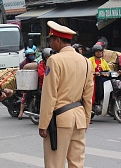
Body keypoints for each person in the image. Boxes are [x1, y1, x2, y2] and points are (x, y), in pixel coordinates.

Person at [39, 21, 93, 168]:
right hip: (79, 118)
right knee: (77, 164)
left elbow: (49, 95)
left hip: (60, 119)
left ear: (58, 40)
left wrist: (43, 123)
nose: (50, 42)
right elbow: (88, 96)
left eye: (51, 39)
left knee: (55, 163)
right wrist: (86, 120)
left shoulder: (54, 60)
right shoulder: (86, 62)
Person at [18, 48, 36, 119]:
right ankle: (21, 112)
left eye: (33, 54)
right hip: (26, 83)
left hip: (33, 82)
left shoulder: (35, 62)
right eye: (30, 55)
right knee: (24, 97)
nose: (32, 56)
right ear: (27, 56)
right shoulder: (24, 64)